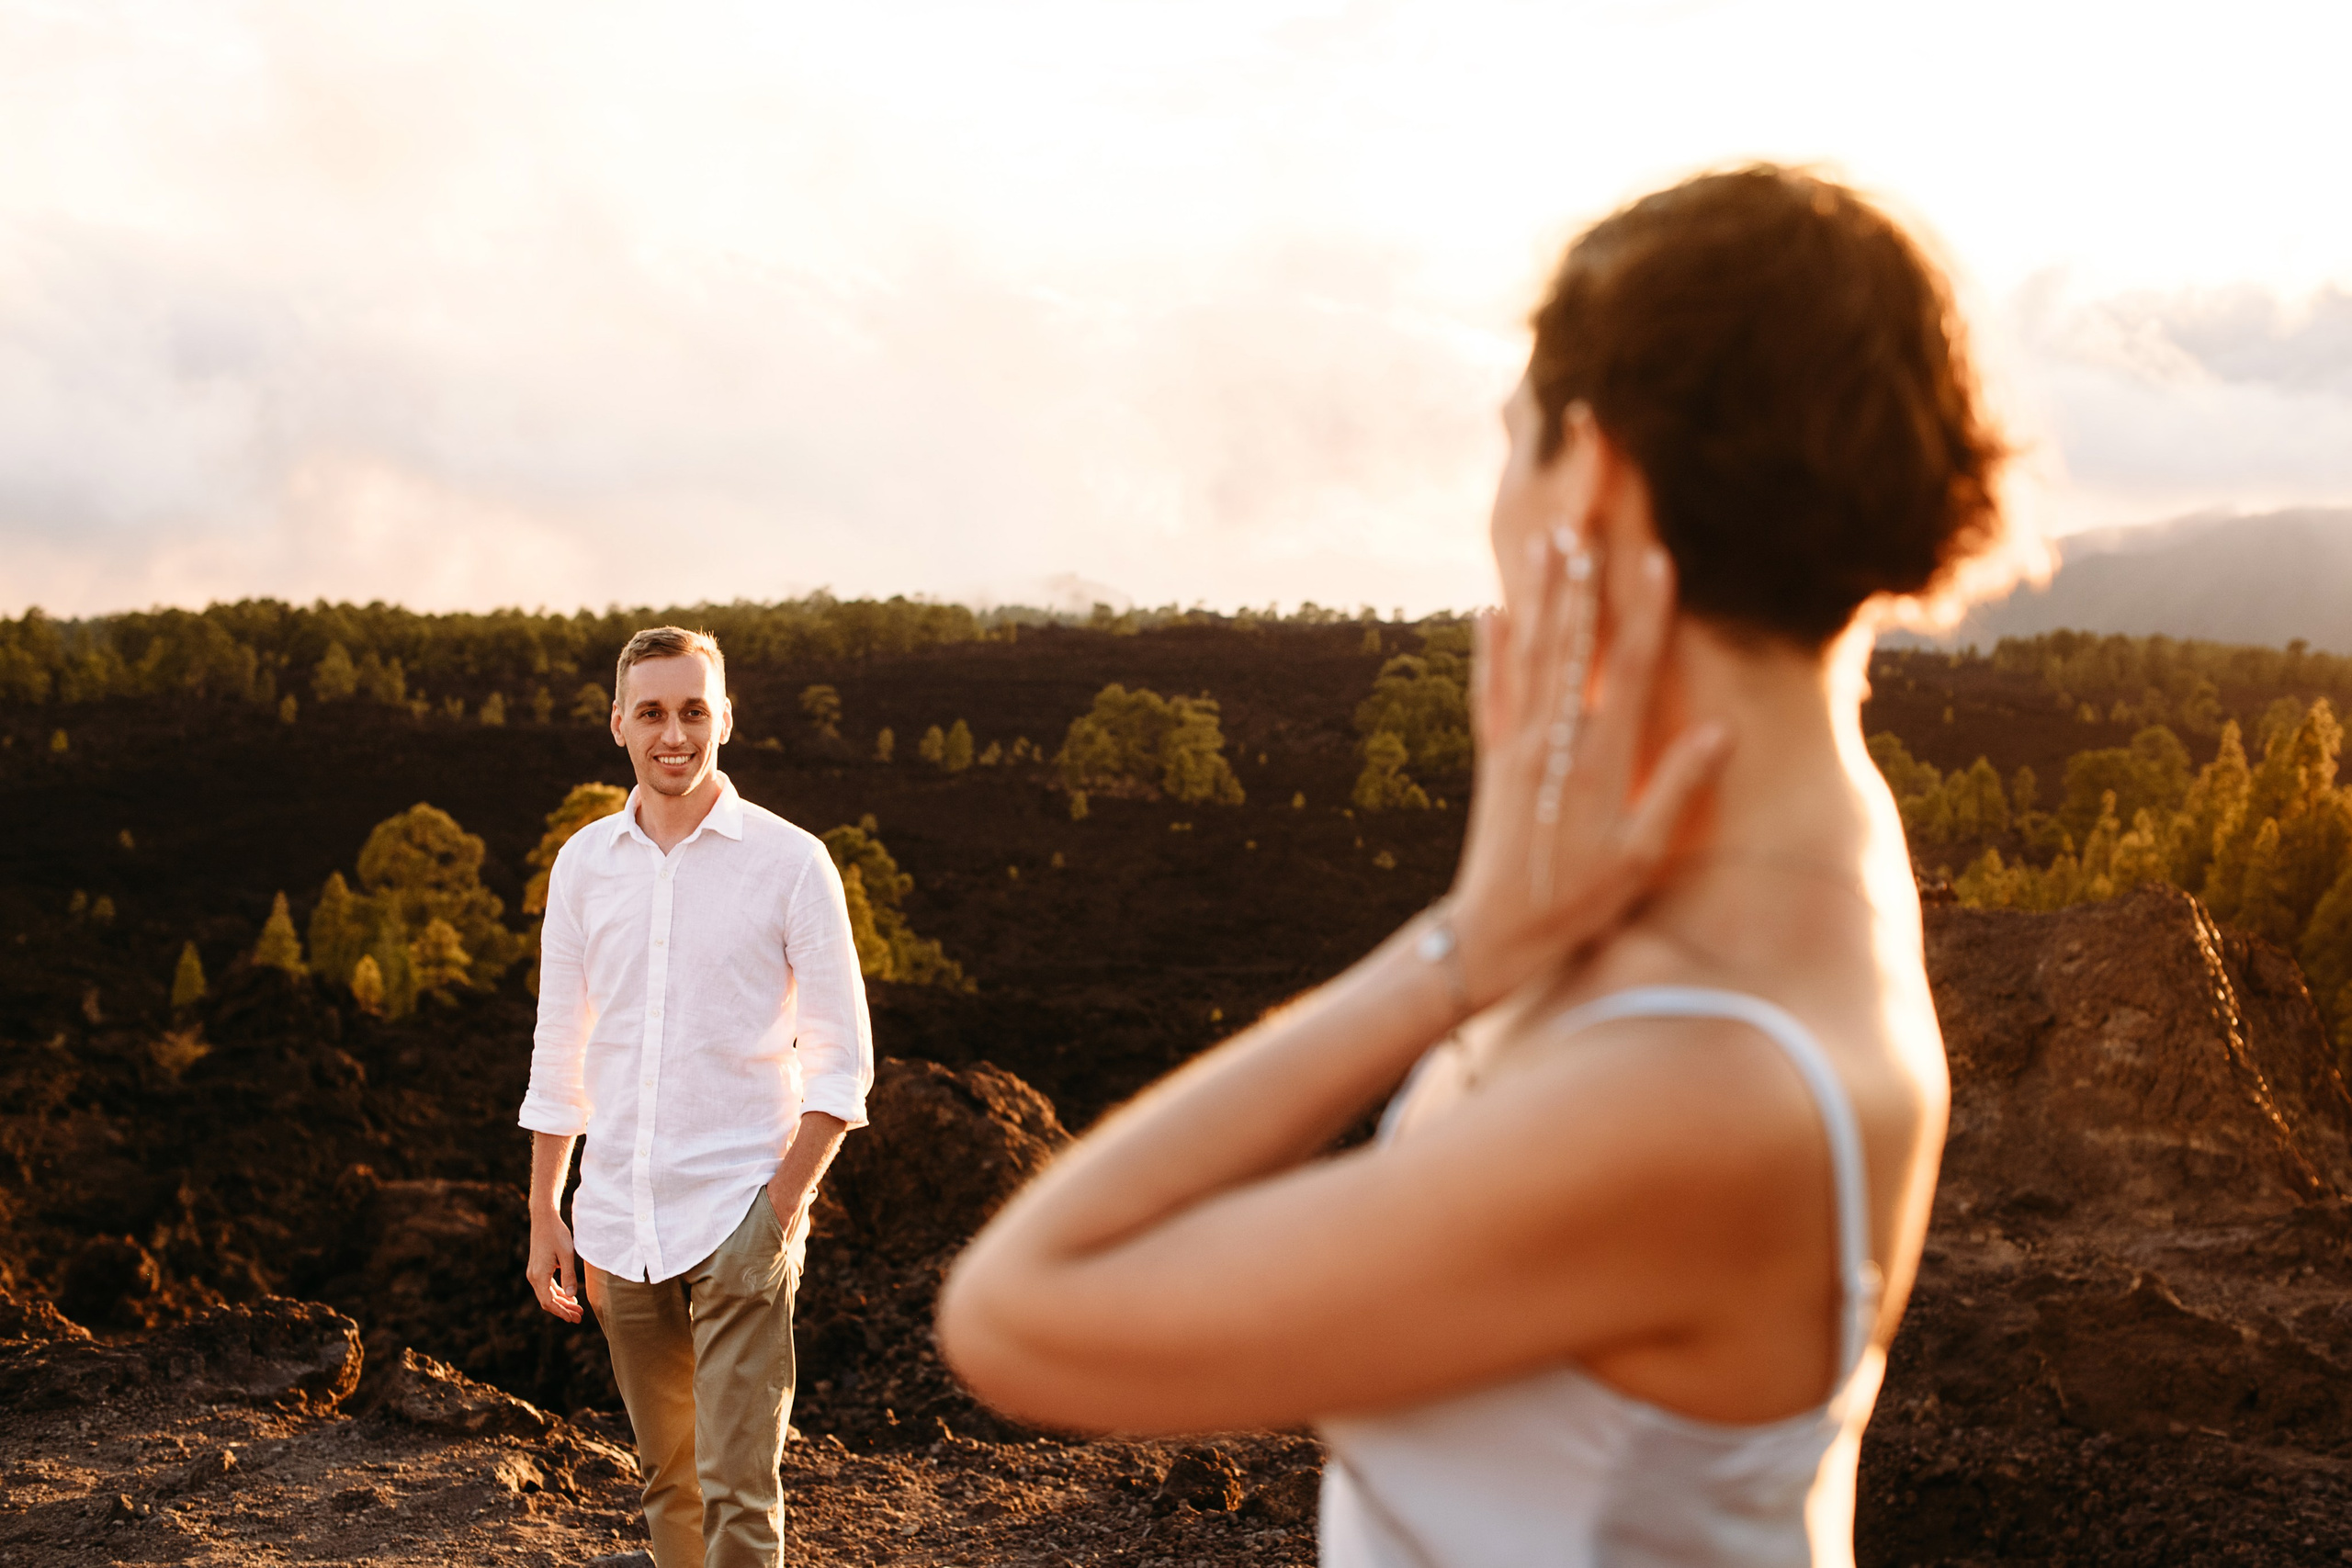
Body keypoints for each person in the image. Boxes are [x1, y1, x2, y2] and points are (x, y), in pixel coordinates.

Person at [935, 165, 2025, 1567]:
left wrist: (1455, 947)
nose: (1498, 513)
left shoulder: (1711, 1086)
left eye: (1516, 443)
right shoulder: (1812, 869)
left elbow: (1017, 1312)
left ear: (1599, 471)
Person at [521, 625, 874, 1568]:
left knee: (738, 1490)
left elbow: (843, 1064)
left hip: (738, 1215)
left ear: (724, 718)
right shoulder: (583, 866)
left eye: (691, 711)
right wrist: (546, 1207)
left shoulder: (791, 862)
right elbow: (563, 1047)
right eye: (651, 713)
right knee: (667, 1478)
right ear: (617, 725)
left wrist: (780, 1209)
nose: (672, 734)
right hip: (617, 1224)